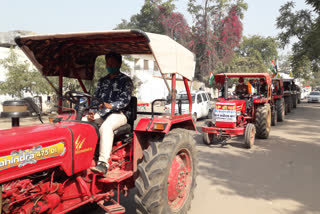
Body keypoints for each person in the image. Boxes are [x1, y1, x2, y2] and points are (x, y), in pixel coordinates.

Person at [84, 52, 133, 175]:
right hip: (102, 113)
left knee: (106, 127)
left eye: (112, 63)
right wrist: (92, 111)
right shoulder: (102, 81)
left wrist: (111, 105)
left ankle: (102, 164)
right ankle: (82, 157)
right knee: (83, 122)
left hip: (119, 114)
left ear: (119, 64)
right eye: (108, 63)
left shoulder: (125, 81)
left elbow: (125, 100)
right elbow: (95, 99)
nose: (109, 65)